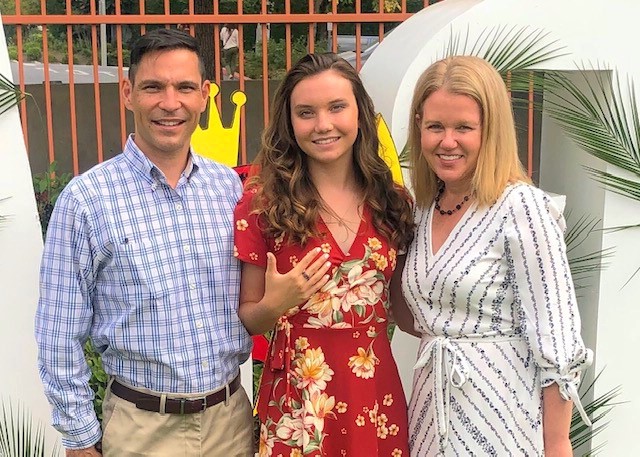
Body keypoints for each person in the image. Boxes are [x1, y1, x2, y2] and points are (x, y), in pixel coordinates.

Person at [35, 28, 254, 457]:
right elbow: (58, 334)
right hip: (141, 431)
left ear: (205, 95)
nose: (170, 103)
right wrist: (80, 440)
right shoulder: (86, 201)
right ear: (128, 92)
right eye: (153, 86)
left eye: (185, 87)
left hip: (230, 421)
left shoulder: (227, 187)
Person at [393, 55, 593, 456]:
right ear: (419, 128)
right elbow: (415, 318)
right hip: (432, 413)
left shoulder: (522, 207)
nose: (447, 141)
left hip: (503, 414)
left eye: (464, 127)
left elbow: (558, 340)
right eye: (435, 126)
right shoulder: (422, 208)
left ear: (492, 130)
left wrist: (557, 444)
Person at [234, 53, 415, 456]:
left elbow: (404, 312)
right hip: (300, 400)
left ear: (360, 113)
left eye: (337, 107)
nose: (323, 125)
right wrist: (277, 304)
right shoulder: (263, 205)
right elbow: (248, 316)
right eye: (306, 112)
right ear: (289, 121)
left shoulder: (392, 202)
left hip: (374, 395)